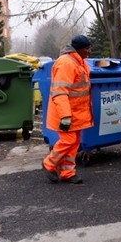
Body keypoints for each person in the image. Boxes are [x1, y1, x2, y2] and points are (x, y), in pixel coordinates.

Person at [42, 35, 93, 184]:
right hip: (66, 114)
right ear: (79, 49)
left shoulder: (80, 62)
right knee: (68, 141)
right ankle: (49, 163)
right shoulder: (66, 63)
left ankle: (67, 172)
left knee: (74, 142)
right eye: (87, 48)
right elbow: (60, 92)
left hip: (76, 113)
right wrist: (65, 116)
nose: (89, 51)